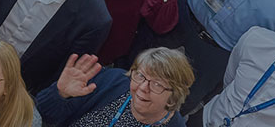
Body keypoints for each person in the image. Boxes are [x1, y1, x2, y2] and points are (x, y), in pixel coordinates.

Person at [33, 48, 195, 127]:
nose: (142, 88)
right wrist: (60, 94)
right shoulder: (112, 81)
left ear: (174, 95)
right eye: (140, 76)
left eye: (157, 84)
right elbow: (44, 114)